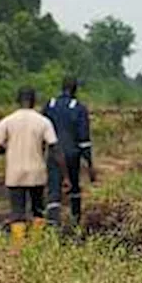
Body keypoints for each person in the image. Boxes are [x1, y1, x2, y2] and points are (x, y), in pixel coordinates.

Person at [0, 86, 69, 244]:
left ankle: (18, 246)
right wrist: (65, 176)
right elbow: (55, 149)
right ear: (34, 101)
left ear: (18, 100)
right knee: (38, 209)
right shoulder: (43, 122)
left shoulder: (8, 120)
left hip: (15, 172)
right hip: (36, 172)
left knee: (17, 210)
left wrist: (8, 148)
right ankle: (36, 243)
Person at [42, 76, 96, 226]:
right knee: (74, 185)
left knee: (53, 188)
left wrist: (40, 152)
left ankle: (52, 223)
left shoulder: (50, 105)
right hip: (72, 154)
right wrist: (89, 164)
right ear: (75, 89)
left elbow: (41, 129)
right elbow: (84, 138)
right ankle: (75, 221)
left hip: (53, 152)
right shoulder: (79, 108)